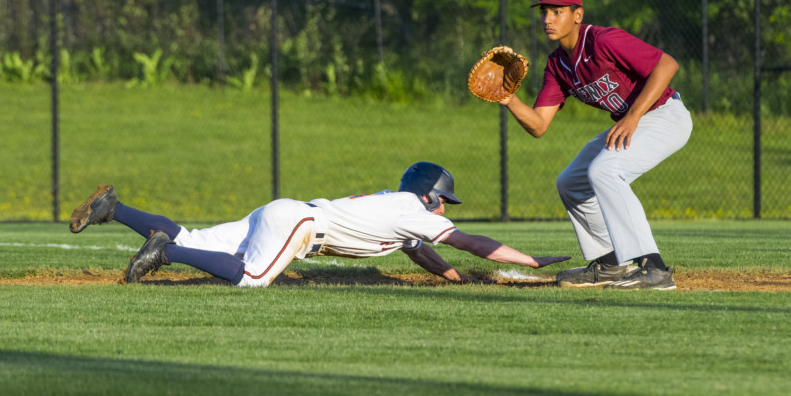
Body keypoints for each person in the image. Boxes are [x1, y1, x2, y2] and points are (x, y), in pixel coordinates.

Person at [68, 162, 571, 287]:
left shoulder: (396, 210)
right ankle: (165, 252)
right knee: (252, 278)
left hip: (287, 212)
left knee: (195, 237)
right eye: (443, 201)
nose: (444, 210)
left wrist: (456, 281)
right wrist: (528, 259)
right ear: (428, 195)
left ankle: (116, 208)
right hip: (302, 223)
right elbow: (469, 242)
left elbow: (425, 254)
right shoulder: (411, 209)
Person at [496, 0, 693, 290]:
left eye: (557, 11)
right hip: (635, 120)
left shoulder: (603, 39)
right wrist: (509, 99)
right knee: (571, 181)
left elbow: (667, 65)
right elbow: (538, 125)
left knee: (605, 170)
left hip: (665, 115)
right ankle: (612, 262)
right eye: (545, 11)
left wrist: (632, 116)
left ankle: (654, 268)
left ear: (577, 14)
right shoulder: (557, 64)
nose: (548, 19)